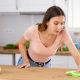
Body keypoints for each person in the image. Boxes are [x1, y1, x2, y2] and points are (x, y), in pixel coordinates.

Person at [17, 6, 80, 71]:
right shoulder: (33, 30)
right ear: (47, 22)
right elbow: (21, 43)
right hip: (28, 63)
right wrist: (25, 61)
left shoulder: (63, 33)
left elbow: (74, 50)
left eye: (62, 23)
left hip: (46, 65)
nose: (59, 27)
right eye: (56, 23)